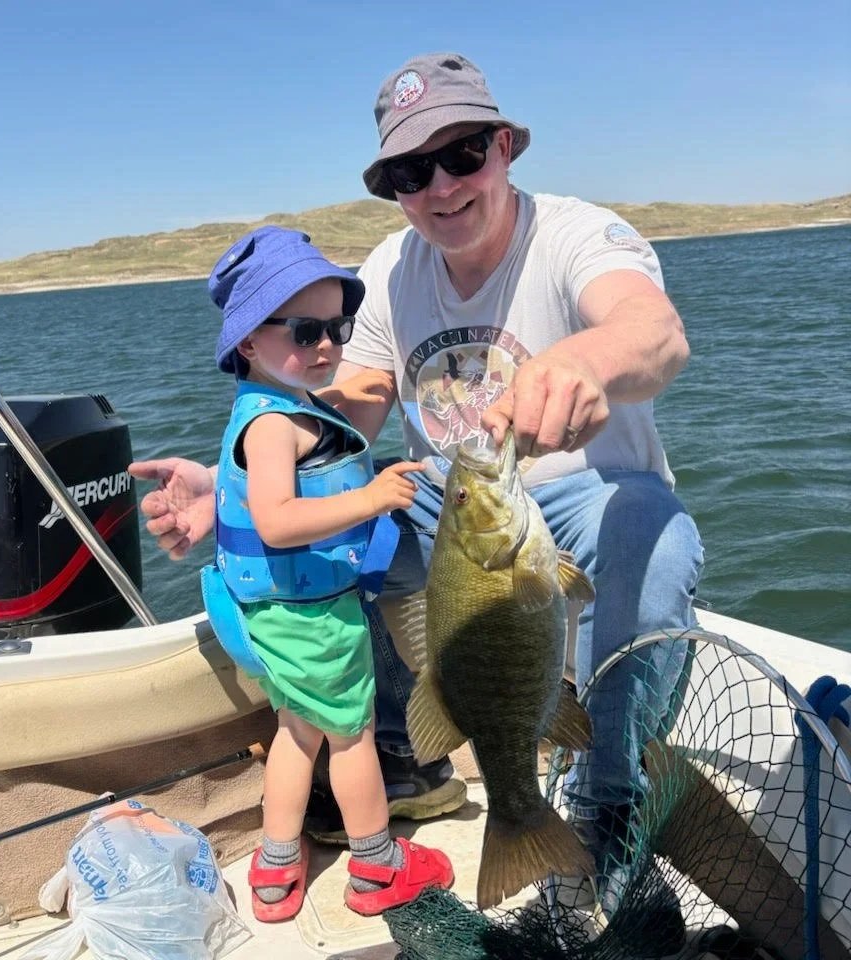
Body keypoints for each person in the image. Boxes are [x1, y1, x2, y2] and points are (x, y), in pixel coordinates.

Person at [132, 51, 703, 932]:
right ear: (394, 187)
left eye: (463, 152)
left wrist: (584, 363)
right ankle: (402, 754)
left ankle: (606, 797)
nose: (440, 185)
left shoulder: (577, 234)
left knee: (656, 543)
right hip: (458, 502)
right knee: (331, 542)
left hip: (581, 493)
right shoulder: (395, 265)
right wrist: (239, 486)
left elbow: (655, 332)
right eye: (410, 170)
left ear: (506, 146)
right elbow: (355, 403)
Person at [195, 225, 454, 922]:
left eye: (338, 328)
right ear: (249, 341)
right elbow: (276, 519)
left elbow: (326, 426)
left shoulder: (282, 406)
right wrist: (371, 497)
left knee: (297, 733)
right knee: (352, 738)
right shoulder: (273, 427)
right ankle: (377, 864)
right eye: (306, 331)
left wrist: (366, 383)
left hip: (278, 616)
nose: (327, 348)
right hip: (312, 622)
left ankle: (276, 870)